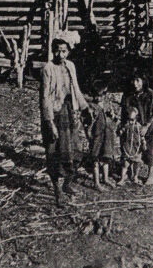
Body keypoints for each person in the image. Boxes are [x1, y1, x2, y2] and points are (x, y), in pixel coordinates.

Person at [40, 33, 90, 205]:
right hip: (54, 114)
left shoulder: (70, 66)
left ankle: (67, 184)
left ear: (68, 52)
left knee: (75, 150)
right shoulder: (48, 68)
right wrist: (50, 123)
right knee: (54, 153)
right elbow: (45, 98)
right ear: (53, 51)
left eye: (63, 51)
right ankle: (57, 191)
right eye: (57, 51)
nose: (60, 55)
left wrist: (85, 108)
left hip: (69, 111)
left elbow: (75, 88)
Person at [120, 71, 153, 186]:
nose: (135, 83)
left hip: (148, 126)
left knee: (149, 148)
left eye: (138, 80)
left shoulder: (150, 94)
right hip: (132, 127)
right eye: (133, 80)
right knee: (131, 148)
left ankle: (150, 174)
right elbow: (124, 112)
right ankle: (131, 173)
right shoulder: (128, 94)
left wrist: (146, 126)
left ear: (143, 81)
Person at [88, 87, 118, 189]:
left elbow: (114, 119)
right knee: (95, 159)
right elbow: (88, 123)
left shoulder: (106, 105)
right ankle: (96, 182)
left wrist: (112, 116)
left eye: (101, 96)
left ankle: (105, 178)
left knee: (106, 157)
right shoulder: (91, 107)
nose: (99, 98)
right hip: (97, 136)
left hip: (107, 135)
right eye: (97, 96)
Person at [118, 103, 145, 184]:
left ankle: (135, 177)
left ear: (136, 118)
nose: (130, 121)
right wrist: (119, 132)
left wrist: (144, 143)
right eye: (129, 119)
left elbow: (142, 136)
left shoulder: (138, 126)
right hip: (127, 146)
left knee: (136, 164)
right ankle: (122, 178)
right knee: (125, 164)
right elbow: (121, 131)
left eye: (132, 120)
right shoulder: (126, 125)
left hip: (136, 147)